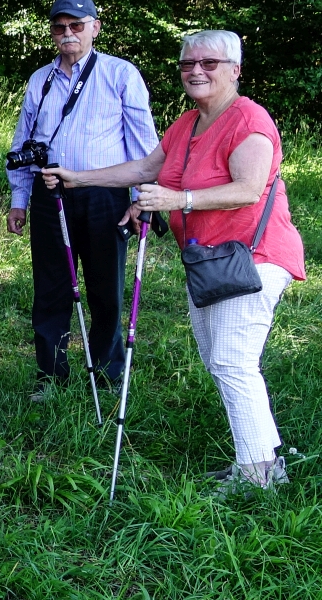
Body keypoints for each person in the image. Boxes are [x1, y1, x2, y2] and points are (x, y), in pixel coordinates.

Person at [43, 30, 306, 490]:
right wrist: (78, 179)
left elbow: (248, 188)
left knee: (232, 361)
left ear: (235, 70)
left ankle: (258, 475)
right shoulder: (188, 123)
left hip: (252, 257)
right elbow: (146, 170)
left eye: (209, 63)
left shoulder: (249, 120)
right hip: (207, 260)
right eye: (188, 64)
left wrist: (176, 200)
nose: (196, 71)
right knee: (222, 360)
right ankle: (264, 460)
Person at [6, 0, 158, 403]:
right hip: (50, 193)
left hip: (105, 195)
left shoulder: (120, 74)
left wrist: (141, 198)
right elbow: (24, 141)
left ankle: (107, 373)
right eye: (60, 26)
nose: (68, 33)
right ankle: (50, 376)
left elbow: (144, 145)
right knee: (51, 287)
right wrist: (19, 197)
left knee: (106, 287)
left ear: (95, 27)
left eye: (76, 25)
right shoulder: (41, 79)